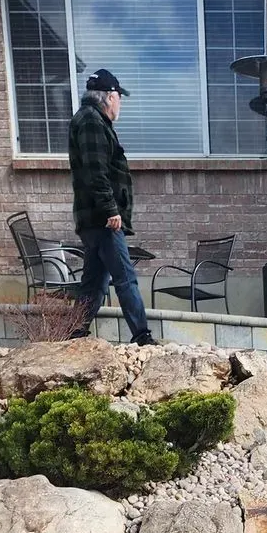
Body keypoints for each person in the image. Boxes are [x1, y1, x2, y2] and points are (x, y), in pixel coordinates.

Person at [68, 68, 154, 345]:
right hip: (102, 219)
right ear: (109, 96)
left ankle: (74, 333)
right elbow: (95, 172)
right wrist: (111, 210)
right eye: (119, 97)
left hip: (93, 218)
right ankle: (142, 337)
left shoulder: (90, 120)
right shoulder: (92, 121)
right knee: (125, 277)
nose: (120, 104)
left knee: (94, 282)